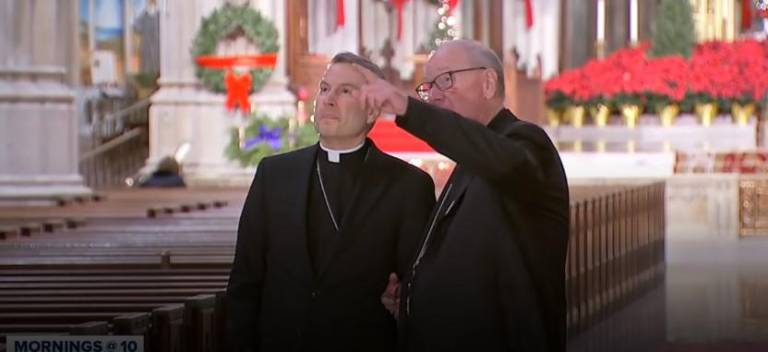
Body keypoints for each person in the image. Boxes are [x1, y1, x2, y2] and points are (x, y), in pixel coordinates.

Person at [361, 40, 570, 351]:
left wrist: (406, 107)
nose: (432, 95)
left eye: (445, 79)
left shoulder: (525, 142)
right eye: (427, 86)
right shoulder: (470, 161)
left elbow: (496, 158)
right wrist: (410, 300)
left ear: (487, 83)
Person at [225, 52, 435, 352]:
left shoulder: (408, 186)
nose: (328, 99)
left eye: (345, 91)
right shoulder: (274, 175)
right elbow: (245, 282)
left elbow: (416, 295)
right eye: (324, 89)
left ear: (373, 110)